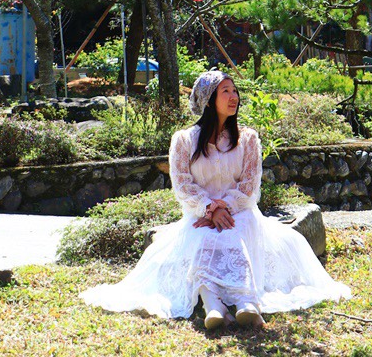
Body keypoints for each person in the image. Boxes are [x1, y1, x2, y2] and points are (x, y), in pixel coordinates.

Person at [80, 69, 351, 330]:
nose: (234, 96)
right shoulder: (184, 140)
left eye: (235, 91)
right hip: (199, 214)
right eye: (225, 91)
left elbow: (249, 186)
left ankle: (246, 302)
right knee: (202, 237)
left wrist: (225, 208)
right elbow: (182, 185)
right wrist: (209, 209)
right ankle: (214, 305)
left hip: (241, 211)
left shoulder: (248, 139)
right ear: (209, 99)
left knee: (236, 229)